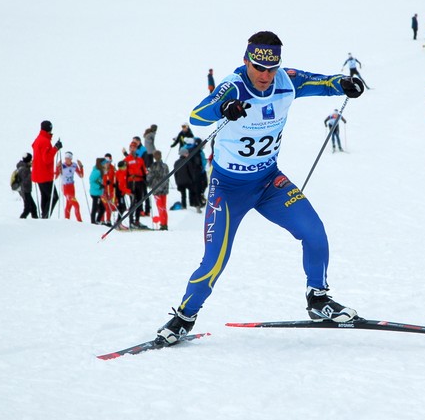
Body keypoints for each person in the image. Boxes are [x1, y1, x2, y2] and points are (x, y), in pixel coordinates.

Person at [152, 30, 365, 346]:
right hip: (228, 189)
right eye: (258, 67)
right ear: (246, 61)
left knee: (315, 230)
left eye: (271, 68)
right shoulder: (232, 86)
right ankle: (184, 317)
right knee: (215, 260)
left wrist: (343, 84)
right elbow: (197, 117)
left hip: (269, 183)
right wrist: (224, 108)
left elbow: (321, 82)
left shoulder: (286, 80)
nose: (265, 76)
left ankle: (318, 300)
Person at [32, 120, 61, 218]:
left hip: (38, 173)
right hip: (44, 174)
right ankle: (45, 217)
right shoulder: (45, 141)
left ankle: (43, 217)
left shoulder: (39, 139)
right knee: (54, 197)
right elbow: (47, 159)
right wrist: (56, 148)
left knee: (44, 196)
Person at [124, 140, 148, 228]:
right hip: (131, 182)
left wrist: (146, 179)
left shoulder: (140, 159)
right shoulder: (126, 159)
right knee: (133, 202)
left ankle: (137, 221)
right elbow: (124, 172)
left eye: (134, 147)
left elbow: (144, 170)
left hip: (140, 182)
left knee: (140, 201)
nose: (133, 149)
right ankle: (131, 221)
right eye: (131, 147)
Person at [145, 150, 170, 230]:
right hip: (164, 189)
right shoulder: (165, 166)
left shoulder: (154, 166)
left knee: (160, 207)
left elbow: (150, 177)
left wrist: (147, 183)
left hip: (157, 189)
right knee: (164, 207)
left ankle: (163, 224)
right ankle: (164, 223)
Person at [57, 151, 84, 221]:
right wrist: (57, 167)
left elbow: (81, 175)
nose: (66, 160)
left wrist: (81, 166)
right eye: (65, 158)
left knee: (69, 205)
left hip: (72, 187)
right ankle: (80, 221)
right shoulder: (62, 166)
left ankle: (67, 220)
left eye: (68, 158)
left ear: (71, 159)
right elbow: (56, 176)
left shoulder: (74, 165)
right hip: (65, 188)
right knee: (76, 205)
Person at [16, 153, 37, 218]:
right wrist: (32, 174)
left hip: (24, 190)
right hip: (25, 191)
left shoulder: (22, 166)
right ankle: (22, 221)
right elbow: (25, 181)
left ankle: (36, 221)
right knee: (28, 208)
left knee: (33, 207)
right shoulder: (25, 169)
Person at [89, 157, 108, 224]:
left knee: (102, 208)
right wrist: (99, 186)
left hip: (98, 193)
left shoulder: (100, 171)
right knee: (96, 208)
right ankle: (94, 222)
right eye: (105, 163)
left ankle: (97, 221)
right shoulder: (97, 171)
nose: (106, 164)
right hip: (95, 193)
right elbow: (91, 181)